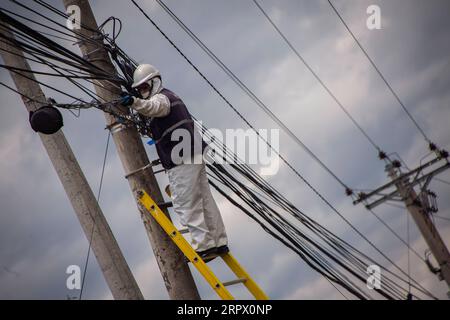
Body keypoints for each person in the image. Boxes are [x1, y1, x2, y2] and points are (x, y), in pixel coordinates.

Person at [121, 64, 228, 262]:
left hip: (181, 158)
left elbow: (154, 107)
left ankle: (204, 247)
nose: (142, 92)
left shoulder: (161, 99)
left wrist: (134, 102)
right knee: (204, 200)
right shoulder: (172, 96)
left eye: (144, 87)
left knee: (186, 203)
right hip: (193, 153)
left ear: (154, 82)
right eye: (139, 90)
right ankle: (219, 242)